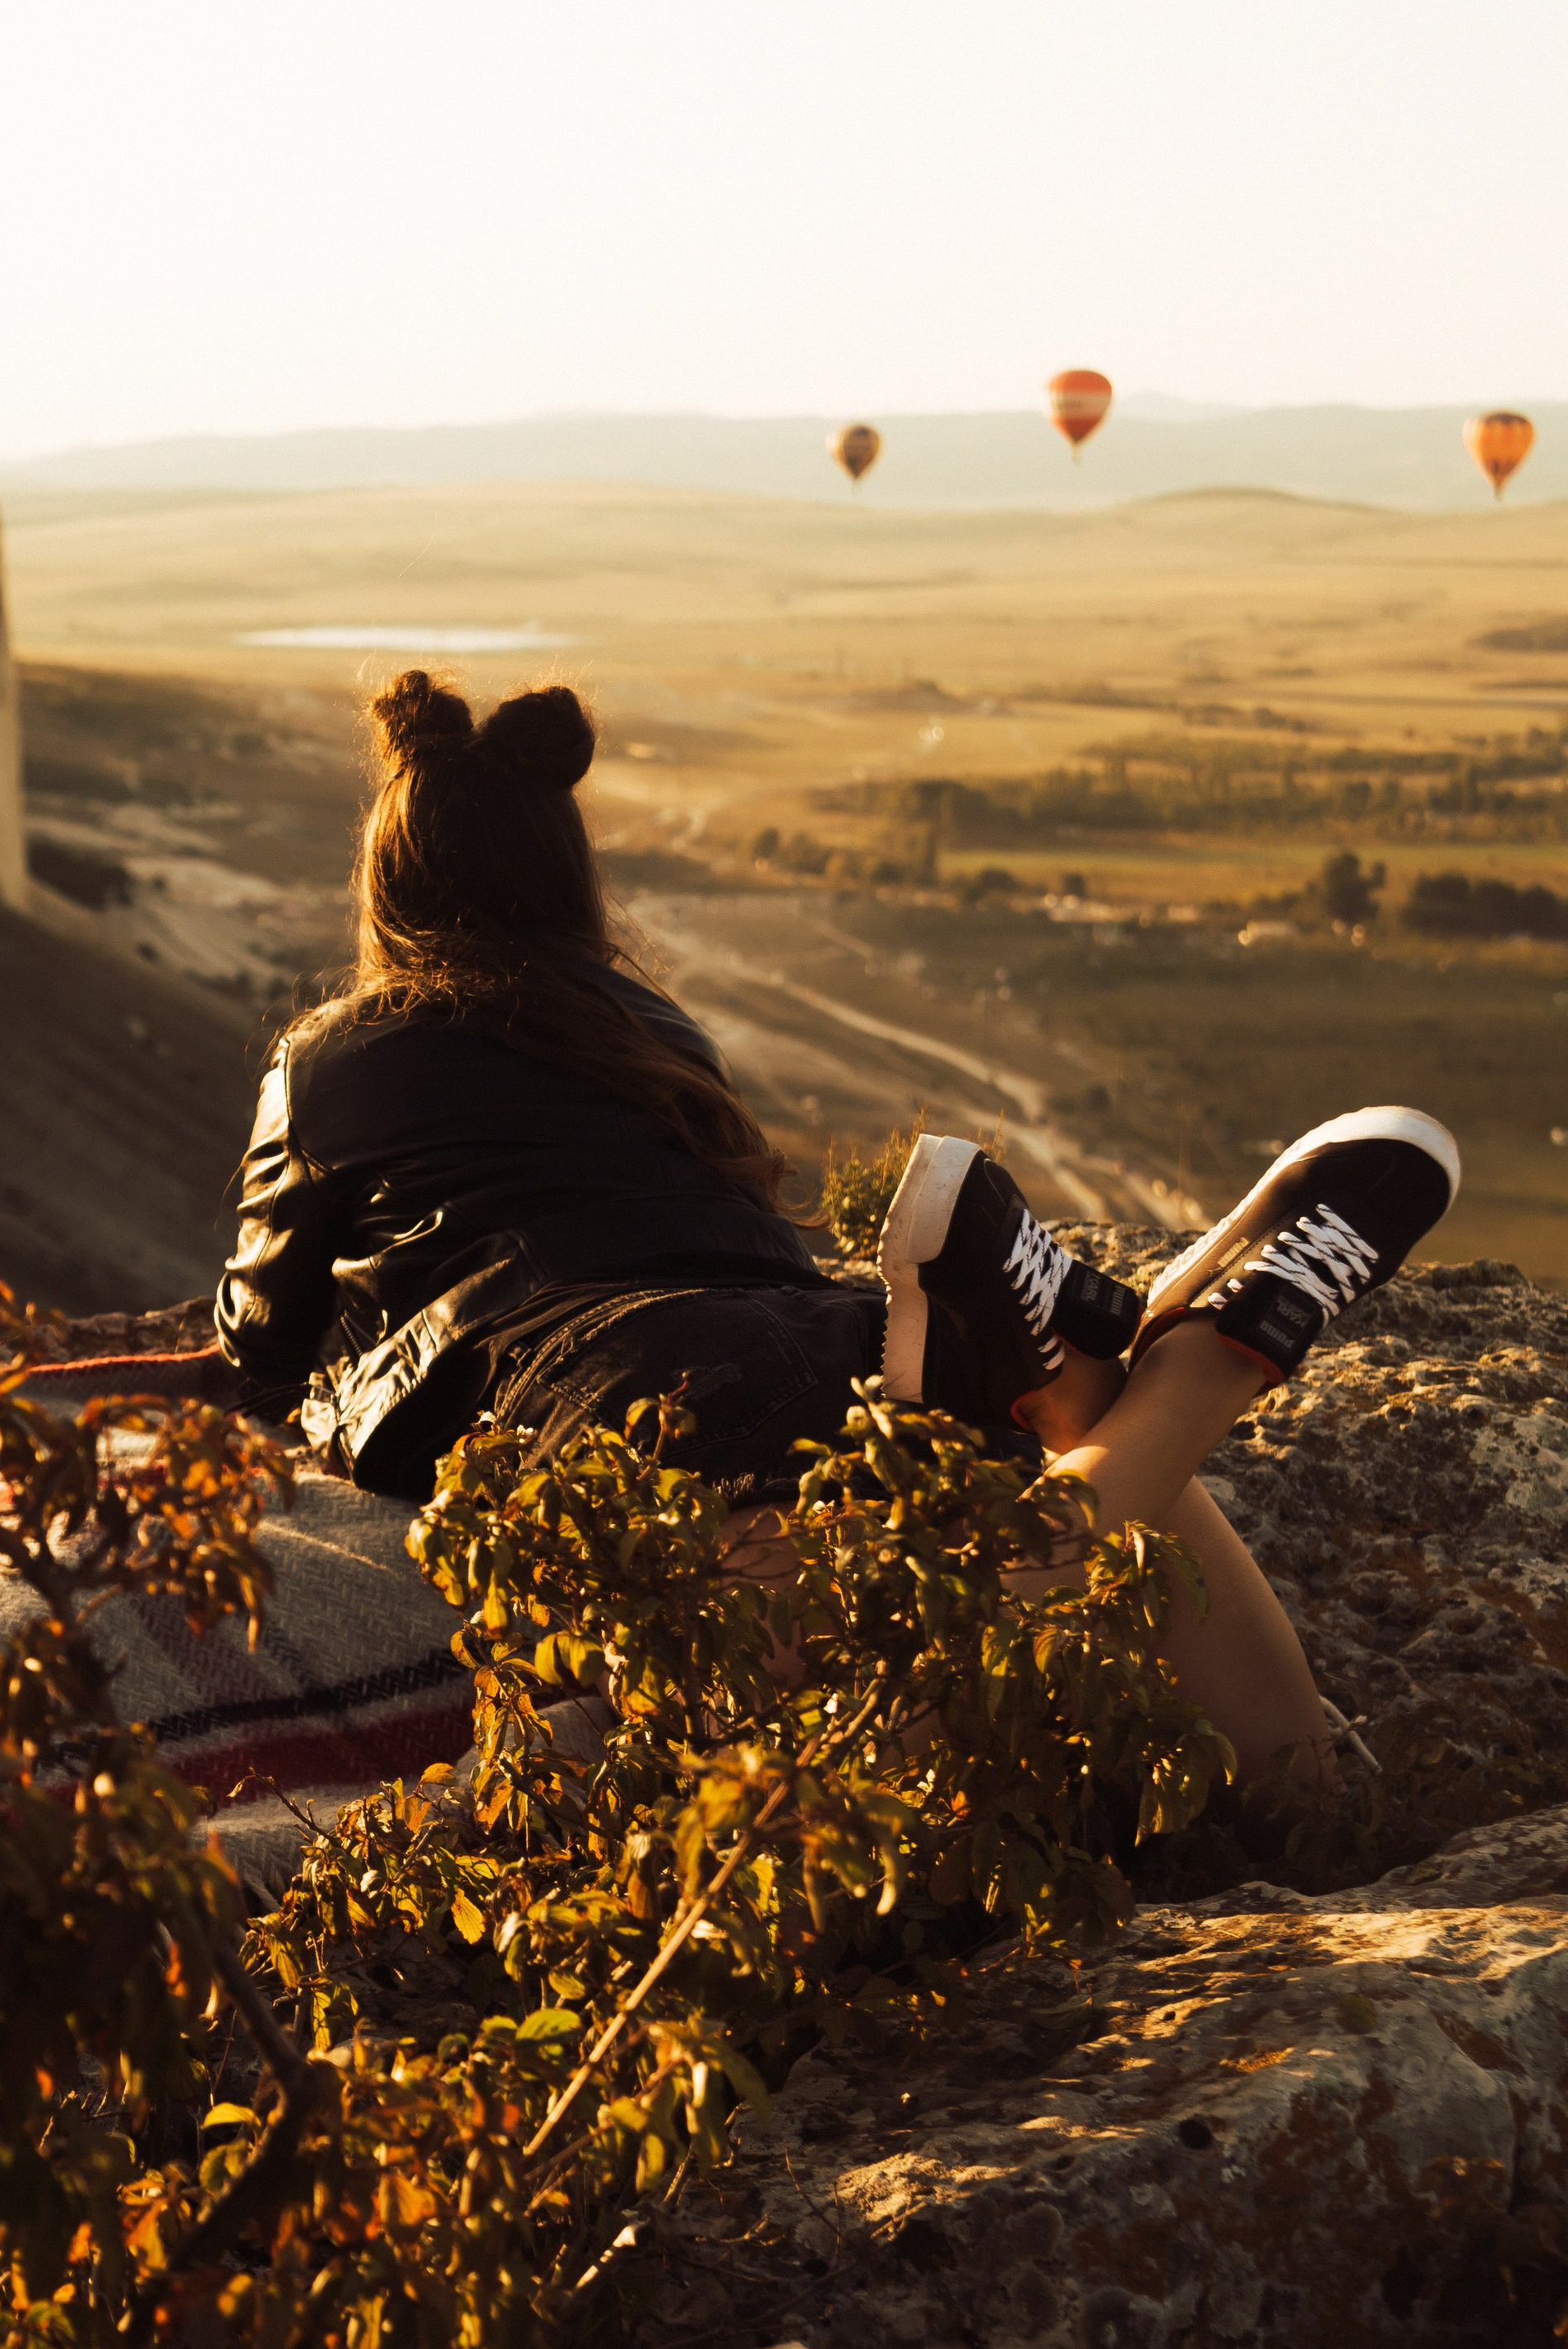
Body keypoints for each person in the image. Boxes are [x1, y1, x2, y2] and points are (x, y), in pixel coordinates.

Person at [214, 670, 1459, 1795]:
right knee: (1286, 1769)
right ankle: (1177, 1371)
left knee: (825, 1760)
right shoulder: (655, 1029)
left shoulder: (330, 1060)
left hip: (612, 1396)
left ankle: (1198, 1369)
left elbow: (260, 1337)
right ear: (566, 880)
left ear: (387, 888)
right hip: (844, 1343)